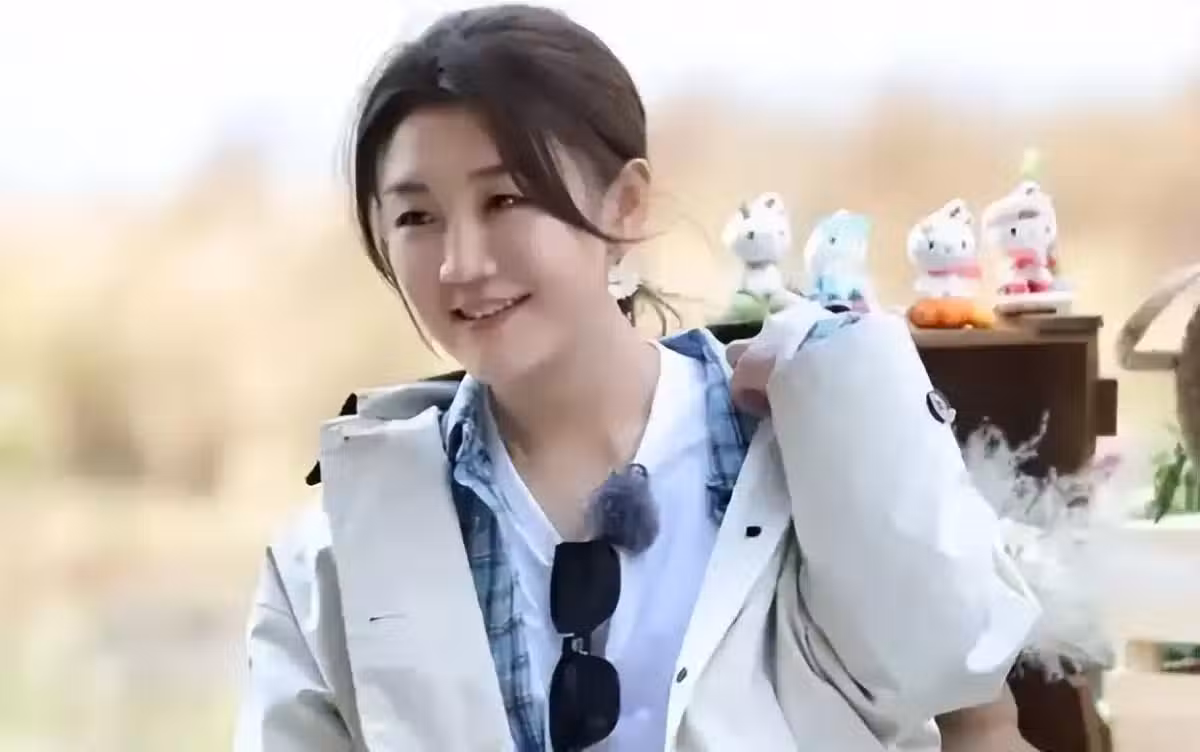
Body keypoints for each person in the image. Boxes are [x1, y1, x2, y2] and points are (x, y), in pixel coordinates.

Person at [234, 5, 1042, 751]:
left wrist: (854, 398)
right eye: (416, 217)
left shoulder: (810, 452)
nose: (460, 263)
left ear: (624, 205)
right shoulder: (331, 562)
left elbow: (974, 711)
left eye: (505, 199)